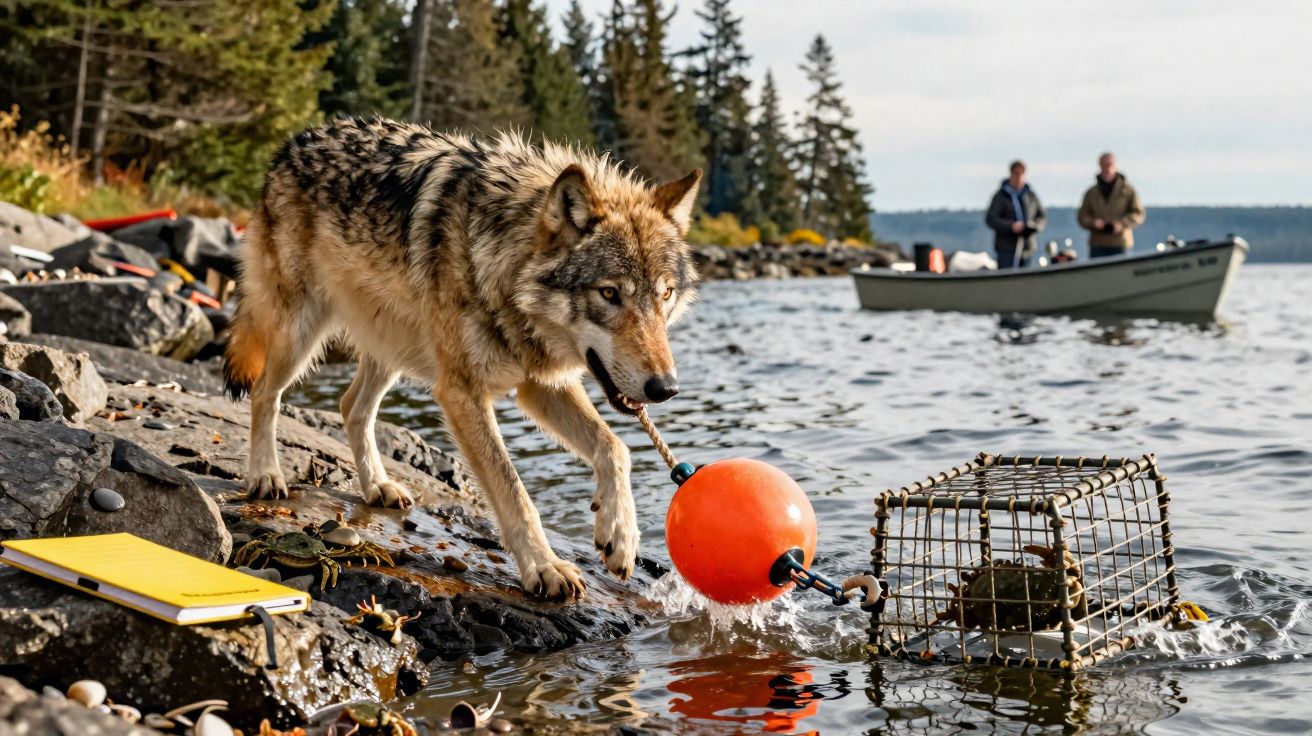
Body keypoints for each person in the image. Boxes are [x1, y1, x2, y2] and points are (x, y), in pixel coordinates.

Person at [1077, 152, 1145, 258]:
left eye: (1110, 164)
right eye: (1104, 165)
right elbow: (1082, 216)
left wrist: (1121, 224)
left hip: (1121, 243)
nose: (1107, 168)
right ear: (1099, 166)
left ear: (1115, 165)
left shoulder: (1127, 191)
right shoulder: (1091, 193)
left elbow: (1138, 214)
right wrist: (1094, 223)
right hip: (1098, 244)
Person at [985, 160, 1046, 269]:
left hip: (1027, 247)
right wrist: (1011, 226)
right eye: (1016, 174)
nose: (1018, 177)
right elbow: (991, 218)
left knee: (1026, 281)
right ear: (1011, 174)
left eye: (1021, 174)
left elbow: (1042, 217)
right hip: (1006, 248)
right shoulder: (1000, 196)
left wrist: (1033, 226)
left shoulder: (1030, 196)